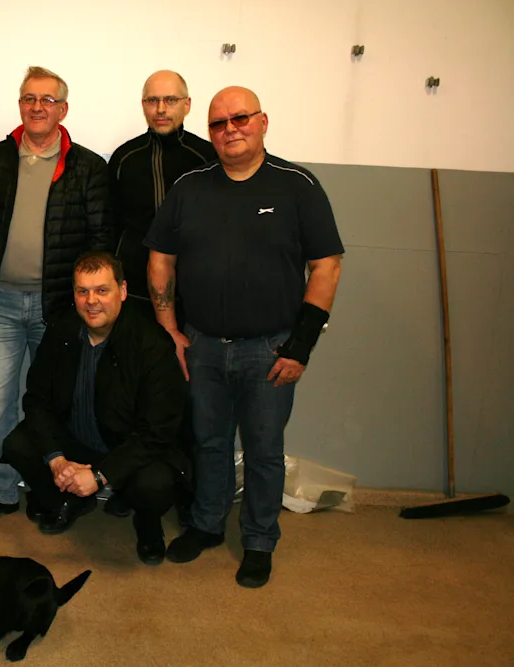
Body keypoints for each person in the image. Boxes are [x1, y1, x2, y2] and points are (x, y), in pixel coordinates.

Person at [145, 86, 344, 588]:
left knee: (263, 450)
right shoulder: (189, 188)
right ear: (209, 132)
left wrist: (300, 346)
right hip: (203, 346)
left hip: (270, 349)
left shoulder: (297, 185)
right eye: (218, 123)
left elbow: (326, 266)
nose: (230, 130)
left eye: (240, 118)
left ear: (263, 122)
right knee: (209, 443)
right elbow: (161, 259)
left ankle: (258, 541)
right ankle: (207, 525)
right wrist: (169, 329)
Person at [0, 66, 113, 528]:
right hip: (1, 305)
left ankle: (56, 492)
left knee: (59, 406)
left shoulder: (88, 167)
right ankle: (1, 491)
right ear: (20, 104)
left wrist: (87, 308)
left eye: (47, 99)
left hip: (60, 310)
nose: (37, 107)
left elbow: (100, 241)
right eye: (29, 98)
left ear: (63, 109)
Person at [1, 252, 189, 565]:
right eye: (82, 291)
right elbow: (37, 399)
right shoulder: (61, 330)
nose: (91, 301)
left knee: (155, 484)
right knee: (17, 445)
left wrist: (101, 476)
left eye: (102, 290)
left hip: (128, 448)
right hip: (76, 442)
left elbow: (157, 432)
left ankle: (147, 523)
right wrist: (56, 460)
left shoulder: (152, 344)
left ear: (123, 291)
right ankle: (70, 501)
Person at [106, 70, 216, 520]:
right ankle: (131, 485)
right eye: (153, 100)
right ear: (143, 105)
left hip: (192, 299)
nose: (161, 109)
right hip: (132, 297)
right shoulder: (124, 158)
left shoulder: (207, 157)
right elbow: (109, 229)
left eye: (170, 100)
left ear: (187, 105)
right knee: (131, 395)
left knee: (191, 399)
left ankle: (190, 495)